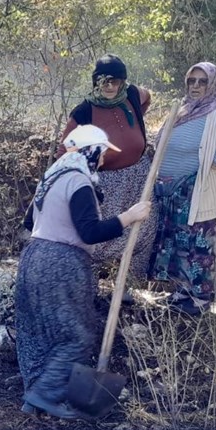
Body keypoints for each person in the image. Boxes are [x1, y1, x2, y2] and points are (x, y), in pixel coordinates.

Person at [17, 125, 152, 419]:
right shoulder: (78, 181)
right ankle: (45, 394)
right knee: (77, 335)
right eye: (101, 153)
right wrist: (130, 216)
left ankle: (34, 397)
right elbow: (89, 232)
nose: (103, 160)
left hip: (33, 257)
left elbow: (30, 222)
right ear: (90, 151)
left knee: (39, 332)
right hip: (61, 263)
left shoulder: (51, 177)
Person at [148, 62, 216, 316]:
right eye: (191, 81)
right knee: (176, 242)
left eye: (202, 81)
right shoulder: (182, 110)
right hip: (169, 190)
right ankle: (180, 292)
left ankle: (199, 298)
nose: (196, 86)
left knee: (198, 242)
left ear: (213, 84)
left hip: (194, 188)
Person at [60, 54, 156, 279]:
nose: (110, 86)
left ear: (123, 81)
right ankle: (88, 282)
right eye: (104, 81)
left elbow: (147, 97)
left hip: (140, 174)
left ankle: (128, 284)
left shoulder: (132, 94)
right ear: (96, 82)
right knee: (104, 235)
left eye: (115, 81)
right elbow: (65, 150)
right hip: (107, 181)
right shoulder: (84, 112)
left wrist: (137, 121)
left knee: (144, 227)